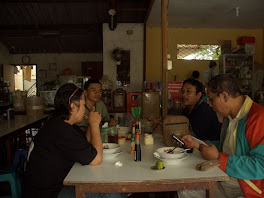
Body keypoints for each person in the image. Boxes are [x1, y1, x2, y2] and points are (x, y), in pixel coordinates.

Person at [23, 83, 126, 198]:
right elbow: (96, 160)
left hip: (57, 184)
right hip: (50, 193)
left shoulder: (61, 124)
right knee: (109, 191)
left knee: (114, 187)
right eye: (82, 104)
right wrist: (94, 124)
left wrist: (91, 125)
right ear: (73, 107)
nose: (84, 109)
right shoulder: (61, 130)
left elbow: (85, 141)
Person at [179, 74, 264, 198]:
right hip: (226, 179)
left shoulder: (258, 118)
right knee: (185, 190)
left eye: (211, 99)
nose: (210, 105)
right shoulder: (229, 117)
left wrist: (219, 158)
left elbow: (261, 166)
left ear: (224, 96)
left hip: (246, 189)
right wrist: (197, 143)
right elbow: (225, 147)